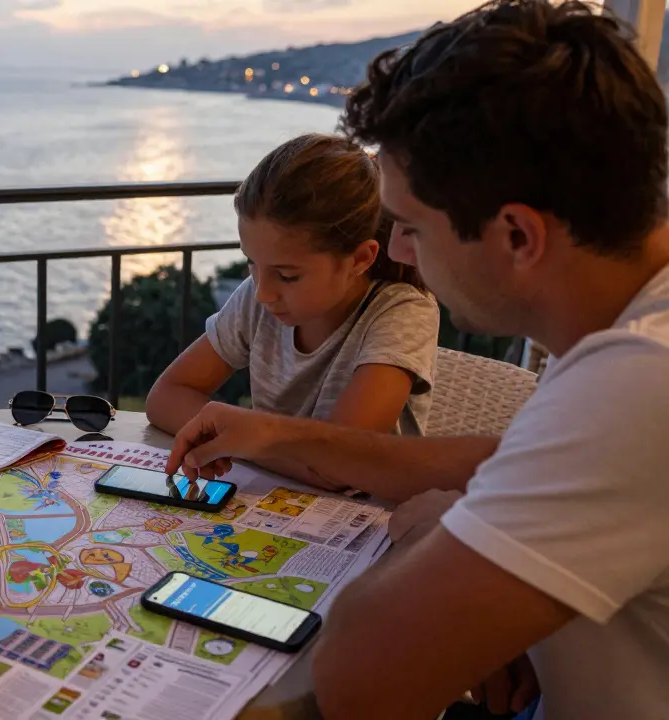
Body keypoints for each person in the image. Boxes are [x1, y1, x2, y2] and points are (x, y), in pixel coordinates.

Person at [165, 2, 669, 718]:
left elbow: (361, 679)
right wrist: (277, 434)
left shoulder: (639, 383)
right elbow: (507, 456)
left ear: (517, 236)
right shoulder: (625, 338)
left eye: (412, 226)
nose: (398, 251)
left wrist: (441, 528)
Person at [145, 133, 439, 443]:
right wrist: (247, 440)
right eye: (251, 262)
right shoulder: (258, 298)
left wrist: (239, 436)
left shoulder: (403, 312)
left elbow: (343, 453)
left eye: (287, 276)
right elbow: (166, 396)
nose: (263, 293)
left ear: (359, 259)